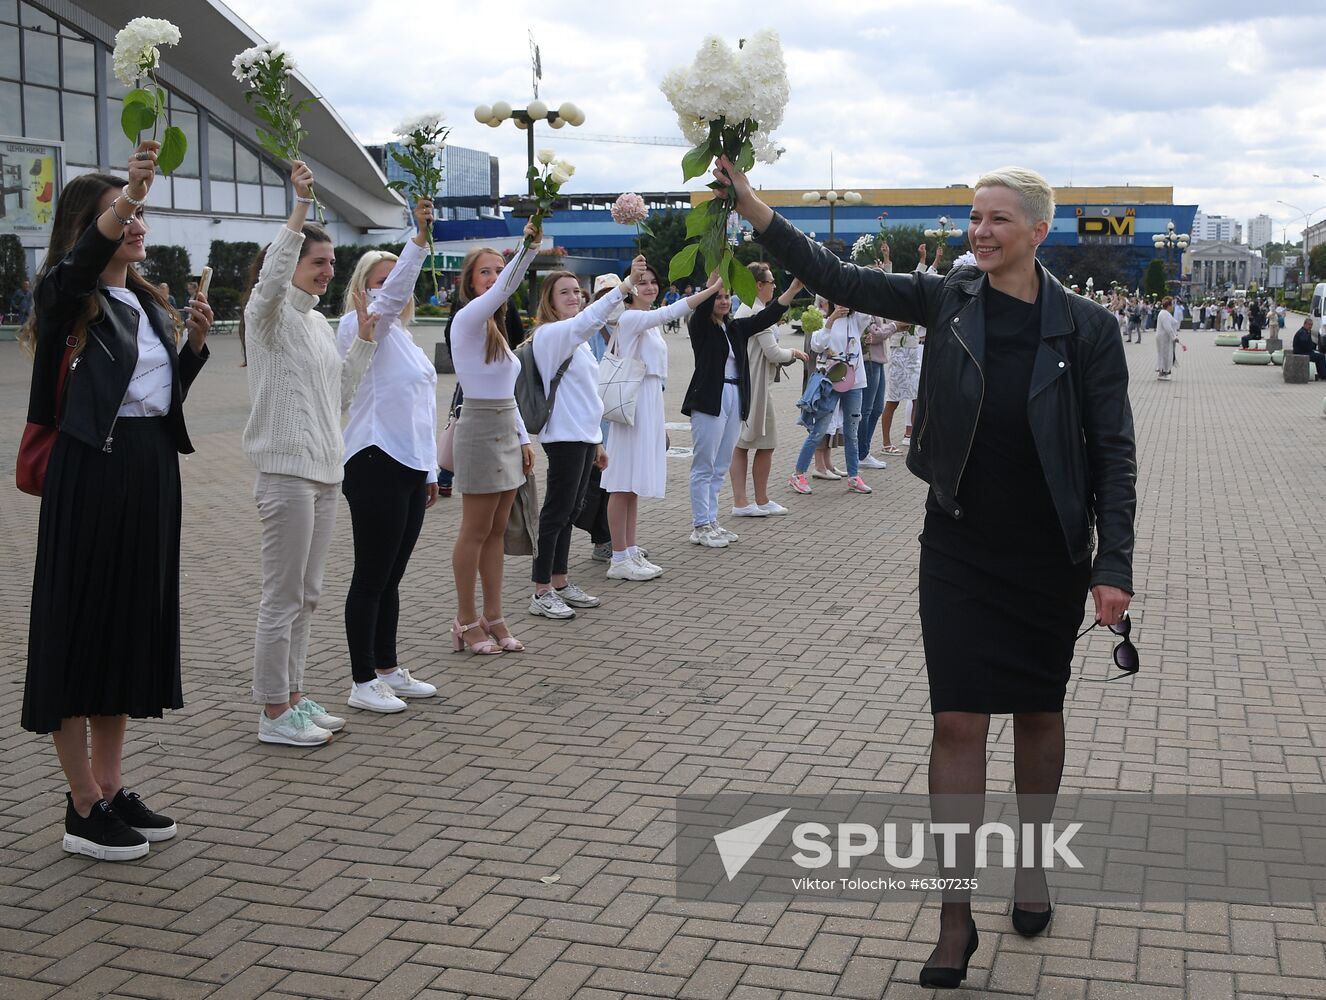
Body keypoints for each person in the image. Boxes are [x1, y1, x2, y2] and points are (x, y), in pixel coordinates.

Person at [716, 156, 1136, 986]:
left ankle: (1032, 867)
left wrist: (1111, 564)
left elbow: (1114, 453)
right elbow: (833, 273)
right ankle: (953, 917)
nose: (979, 232)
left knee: (1038, 713)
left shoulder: (1086, 328)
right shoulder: (948, 300)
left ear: (1038, 232)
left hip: (1049, 551)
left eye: (997, 220)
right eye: (974, 218)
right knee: (956, 724)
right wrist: (754, 206)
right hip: (959, 545)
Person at [21, 141, 213, 860]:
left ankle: (109, 786)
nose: (136, 223)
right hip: (92, 473)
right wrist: (129, 191)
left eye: (139, 212)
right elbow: (74, 277)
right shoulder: (67, 295)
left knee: (128, 623)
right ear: (88, 226)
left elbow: (156, 402)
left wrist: (190, 350)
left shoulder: (145, 298)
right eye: (120, 212)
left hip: (149, 469)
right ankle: (80, 807)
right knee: (80, 626)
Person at [243, 160, 380, 746]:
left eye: (330, 263)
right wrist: (299, 208)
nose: (327, 271)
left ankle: (295, 697)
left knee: (309, 592)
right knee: (282, 594)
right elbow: (272, 280)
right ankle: (272, 710)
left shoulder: (321, 326)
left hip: (326, 472)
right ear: (293, 262)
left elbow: (339, 395)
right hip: (285, 473)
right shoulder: (266, 315)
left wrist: (365, 346)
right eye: (317, 262)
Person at [335, 198, 440, 713]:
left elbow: (419, 407)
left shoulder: (403, 338)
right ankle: (360, 681)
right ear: (363, 289)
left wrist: (430, 471)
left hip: (407, 465)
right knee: (371, 575)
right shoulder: (360, 326)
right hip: (373, 463)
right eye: (380, 280)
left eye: (395, 278)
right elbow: (393, 290)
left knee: (393, 575)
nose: (392, 286)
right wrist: (418, 239)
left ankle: (388, 668)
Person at [527, 260, 644, 618]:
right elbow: (589, 321)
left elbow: (586, 396)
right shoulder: (551, 334)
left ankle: (560, 581)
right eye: (565, 292)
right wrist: (624, 288)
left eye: (577, 291)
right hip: (562, 437)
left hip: (581, 436)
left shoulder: (575, 341)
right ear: (548, 299)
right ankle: (541, 590)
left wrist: (597, 442)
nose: (574, 297)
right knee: (556, 513)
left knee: (571, 510)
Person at [449, 221, 541, 654]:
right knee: (476, 528)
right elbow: (504, 290)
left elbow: (510, 395)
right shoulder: (467, 319)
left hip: (505, 427)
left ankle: (494, 615)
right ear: (470, 282)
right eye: (484, 271)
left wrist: (523, 438)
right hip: (480, 429)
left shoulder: (498, 333)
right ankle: (466, 619)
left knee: (498, 530)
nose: (494, 277)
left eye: (498, 269)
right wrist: (528, 248)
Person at [604, 264, 719, 571]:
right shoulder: (629, 319)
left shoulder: (646, 322)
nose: (650, 287)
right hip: (634, 404)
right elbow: (670, 312)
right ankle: (618, 557)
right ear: (630, 288)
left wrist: (716, 265)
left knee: (633, 483)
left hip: (648, 401)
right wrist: (709, 291)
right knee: (621, 482)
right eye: (643, 283)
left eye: (654, 282)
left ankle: (628, 548)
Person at [683, 270, 790, 548]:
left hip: (734, 395)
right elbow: (701, 305)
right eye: (718, 296)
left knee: (720, 464)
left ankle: (712, 520)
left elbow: (765, 317)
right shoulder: (701, 326)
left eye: (727, 296)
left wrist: (792, 291)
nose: (723, 300)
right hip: (710, 397)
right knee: (704, 464)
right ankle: (700, 524)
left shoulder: (734, 327)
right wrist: (713, 282)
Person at [730, 262, 809, 516]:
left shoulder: (749, 308)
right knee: (760, 444)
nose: (774, 286)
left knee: (745, 443)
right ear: (758, 285)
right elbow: (773, 352)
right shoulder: (753, 310)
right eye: (771, 281)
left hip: (751, 384)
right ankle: (752, 501)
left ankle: (748, 501)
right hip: (755, 387)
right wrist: (794, 353)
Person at [787, 301, 873, 495]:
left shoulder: (856, 319)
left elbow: (867, 309)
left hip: (854, 381)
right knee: (819, 431)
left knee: (852, 432)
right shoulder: (825, 319)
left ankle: (853, 476)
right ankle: (798, 474)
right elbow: (816, 344)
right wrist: (832, 318)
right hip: (830, 381)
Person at [1155, 296, 1179, 379]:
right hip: (1163, 338)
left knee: (1164, 353)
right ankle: (1163, 372)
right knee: (1164, 354)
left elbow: (1173, 323)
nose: (1173, 307)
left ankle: (1164, 371)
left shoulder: (1165, 313)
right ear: (1168, 306)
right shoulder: (1164, 314)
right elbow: (1168, 327)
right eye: (1172, 305)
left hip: (1164, 337)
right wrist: (1174, 337)